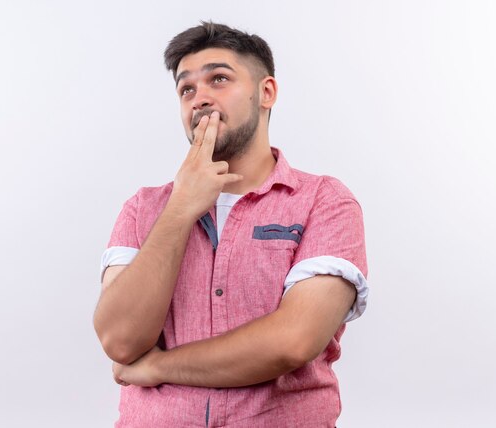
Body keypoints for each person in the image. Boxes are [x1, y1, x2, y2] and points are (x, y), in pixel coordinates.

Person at [93, 21, 368, 428]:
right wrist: (181, 207)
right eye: (187, 89)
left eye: (219, 79)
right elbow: (120, 339)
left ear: (266, 92)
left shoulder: (325, 202)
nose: (199, 98)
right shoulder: (142, 209)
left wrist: (161, 367)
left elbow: (292, 342)